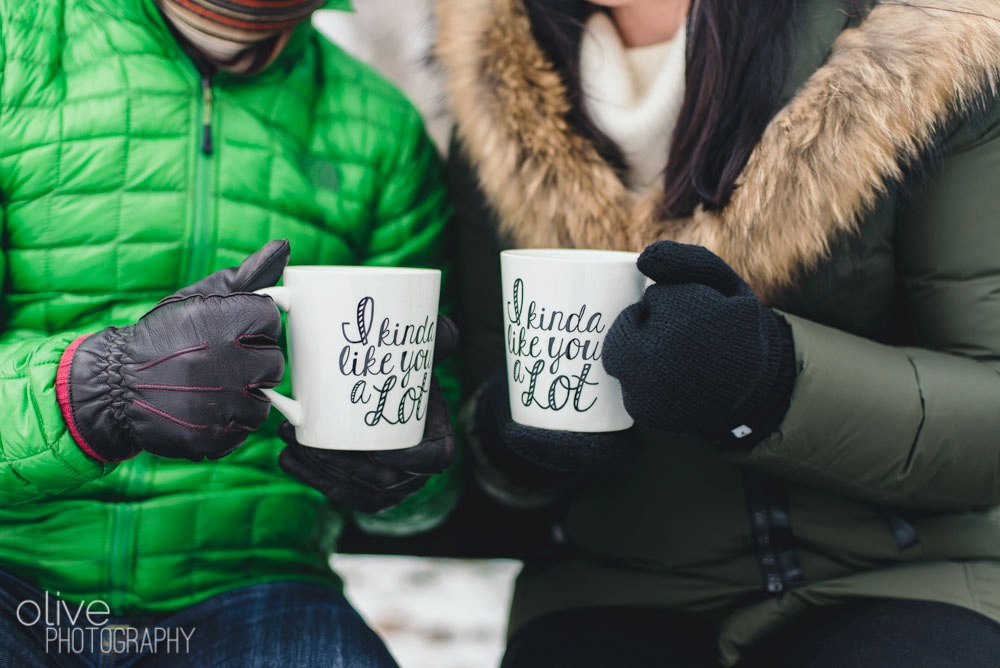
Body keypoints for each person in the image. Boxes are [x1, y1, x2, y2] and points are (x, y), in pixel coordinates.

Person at [439, 0, 1000, 665]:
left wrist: (772, 382)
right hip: (611, 586)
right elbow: (487, 445)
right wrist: (511, 442)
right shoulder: (492, 98)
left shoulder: (921, 53)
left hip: (904, 577)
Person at [0, 0, 459, 665]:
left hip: (256, 589)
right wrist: (95, 390)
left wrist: (401, 470)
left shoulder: (382, 131)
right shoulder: (15, 46)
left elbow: (429, 491)